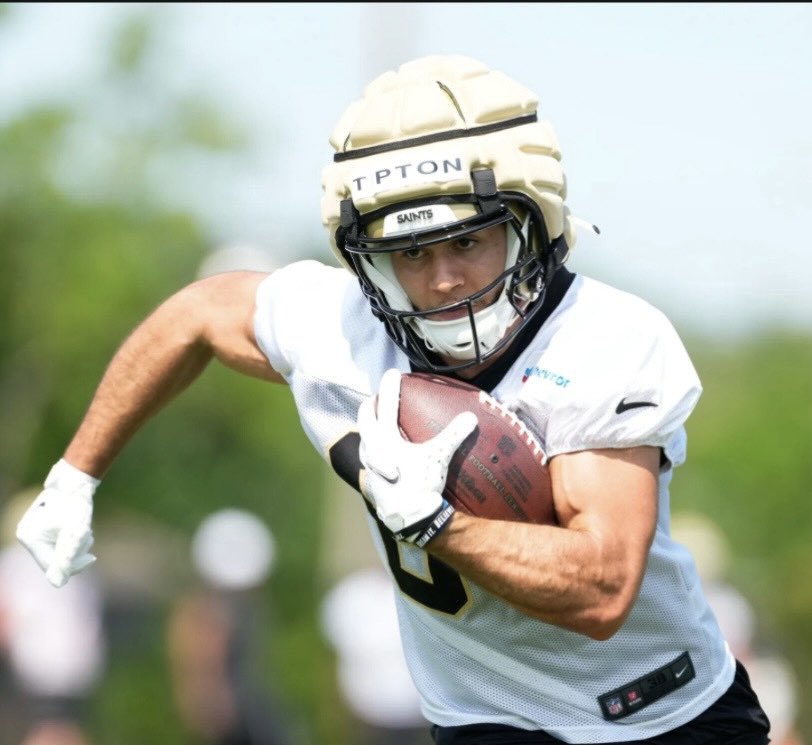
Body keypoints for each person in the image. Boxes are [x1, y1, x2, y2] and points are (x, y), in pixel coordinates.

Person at [14, 54, 771, 744]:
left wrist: (438, 523)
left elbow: (602, 588)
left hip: (661, 713)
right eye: (409, 252)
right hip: (484, 719)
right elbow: (198, 315)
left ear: (529, 222)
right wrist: (75, 474)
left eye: (467, 241)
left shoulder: (602, 337)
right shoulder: (341, 328)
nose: (441, 279)